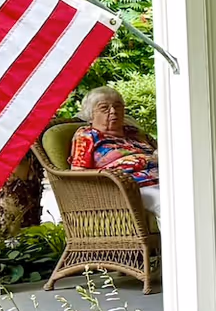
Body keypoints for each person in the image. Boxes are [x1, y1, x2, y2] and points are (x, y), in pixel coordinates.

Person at [69, 86, 161, 217]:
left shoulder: (135, 133)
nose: (113, 111)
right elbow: (78, 172)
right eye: (104, 108)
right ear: (91, 114)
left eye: (118, 106)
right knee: (168, 203)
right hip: (131, 188)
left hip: (164, 178)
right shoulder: (87, 135)